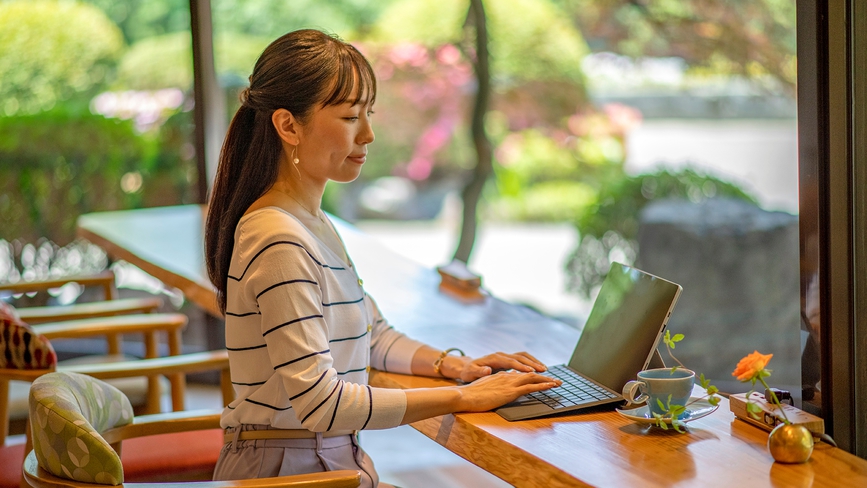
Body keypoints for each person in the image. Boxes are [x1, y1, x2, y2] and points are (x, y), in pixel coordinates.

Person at [205, 29, 560, 487]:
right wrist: (462, 398)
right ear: (288, 125)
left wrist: (454, 366)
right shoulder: (278, 239)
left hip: (324, 463)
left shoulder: (313, 225)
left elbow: (373, 336)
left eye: (367, 114)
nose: (368, 134)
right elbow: (322, 403)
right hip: (285, 472)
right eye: (351, 116)